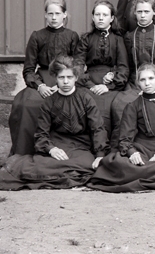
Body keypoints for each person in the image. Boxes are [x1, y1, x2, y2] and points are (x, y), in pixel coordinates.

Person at [0, 57, 107, 190]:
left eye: (69, 77)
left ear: (76, 78)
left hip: (80, 147)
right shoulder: (49, 102)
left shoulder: (86, 99)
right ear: (55, 78)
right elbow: (41, 134)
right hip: (57, 145)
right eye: (61, 77)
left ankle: (56, 175)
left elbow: (97, 128)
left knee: (88, 164)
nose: (66, 81)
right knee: (39, 165)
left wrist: (100, 155)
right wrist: (51, 149)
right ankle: (63, 175)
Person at [87, 64, 155, 192]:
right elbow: (124, 138)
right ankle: (149, 174)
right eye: (142, 80)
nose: (147, 83)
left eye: (151, 78)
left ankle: (143, 173)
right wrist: (132, 153)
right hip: (140, 148)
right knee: (118, 163)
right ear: (138, 83)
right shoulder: (133, 105)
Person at [10, 0, 79, 156]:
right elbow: (28, 69)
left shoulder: (72, 36)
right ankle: (24, 152)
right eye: (50, 13)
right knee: (26, 104)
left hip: (65, 78)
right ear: (45, 15)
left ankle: (58, 150)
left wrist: (63, 84)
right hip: (41, 79)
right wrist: (40, 86)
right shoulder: (37, 36)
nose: (54, 17)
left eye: (57, 13)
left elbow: (77, 66)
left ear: (64, 14)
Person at [114, 0, 155, 148]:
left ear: (154, 12)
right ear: (134, 13)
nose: (143, 15)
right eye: (139, 12)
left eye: (147, 11)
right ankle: (125, 146)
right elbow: (125, 63)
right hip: (134, 83)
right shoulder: (129, 36)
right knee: (121, 104)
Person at [74, 1, 129, 134]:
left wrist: (109, 86)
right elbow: (78, 66)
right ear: (93, 17)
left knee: (111, 107)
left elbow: (123, 67)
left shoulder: (118, 39)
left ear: (112, 18)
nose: (101, 18)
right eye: (97, 14)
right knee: (85, 103)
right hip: (88, 82)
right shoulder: (86, 39)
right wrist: (91, 85)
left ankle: (106, 142)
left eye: (105, 15)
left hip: (110, 82)